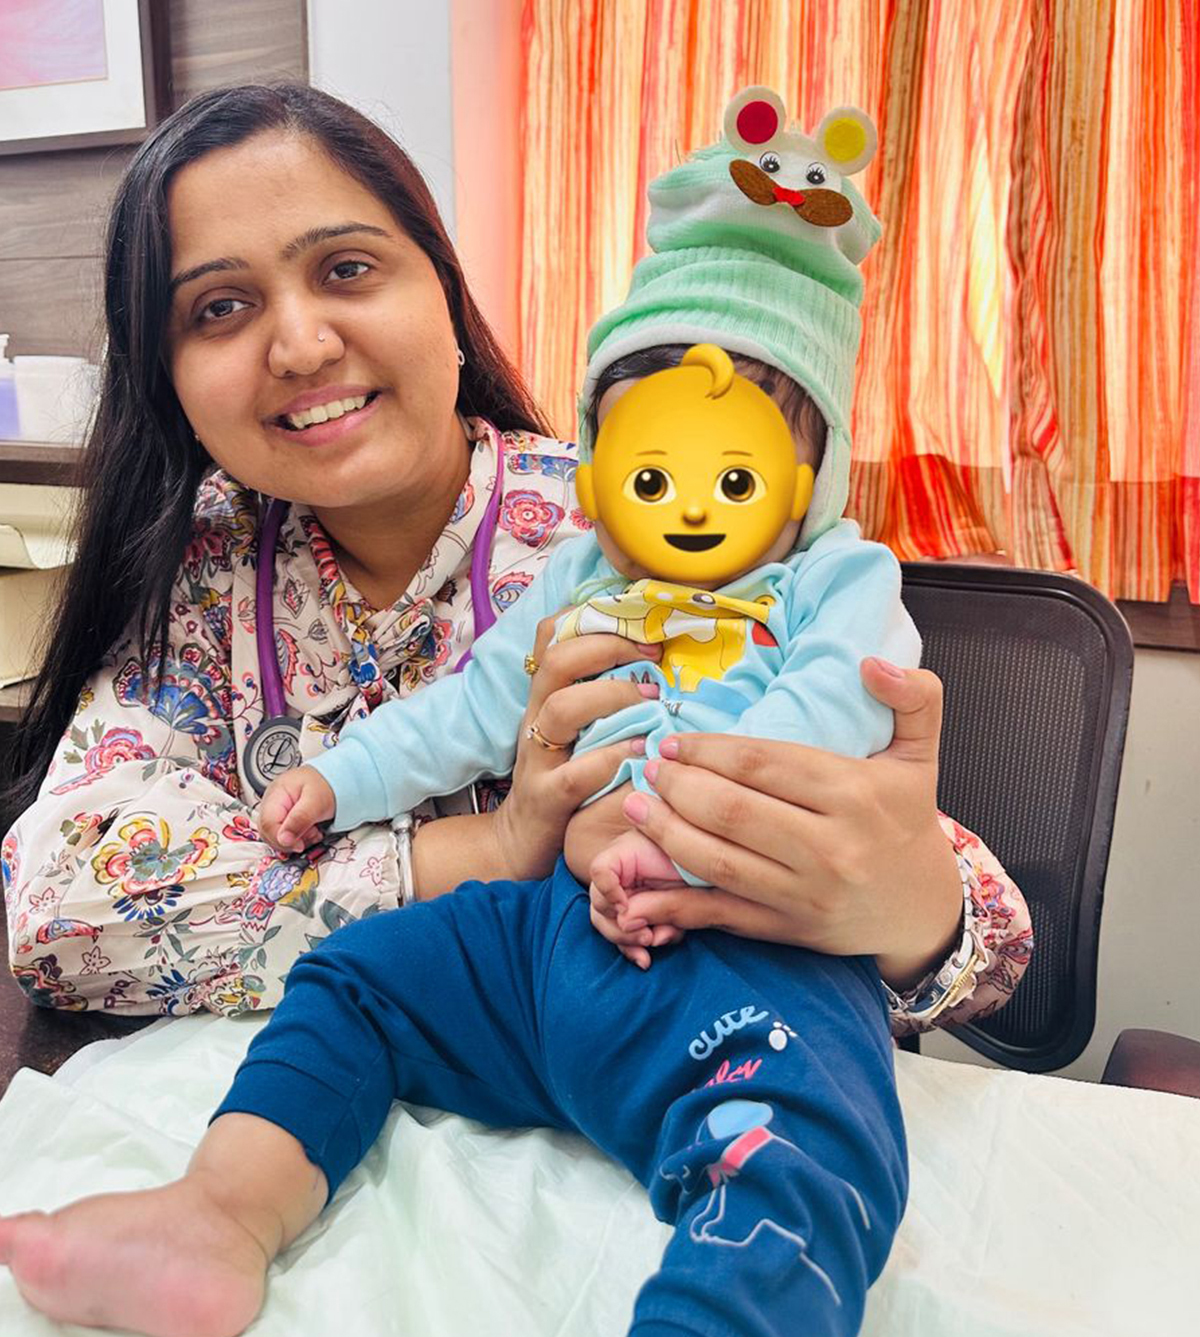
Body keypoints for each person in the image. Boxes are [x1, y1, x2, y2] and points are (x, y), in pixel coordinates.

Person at [1, 87, 1028, 1337]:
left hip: (726, 978)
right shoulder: (201, 577)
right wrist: (483, 844)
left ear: (445, 288)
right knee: (355, 982)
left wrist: (900, 900)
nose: (301, 343)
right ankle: (213, 1216)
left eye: (346, 267)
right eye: (219, 306)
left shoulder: (666, 544)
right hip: (521, 975)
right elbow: (62, 907)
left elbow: (968, 910)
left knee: (799, 1147)